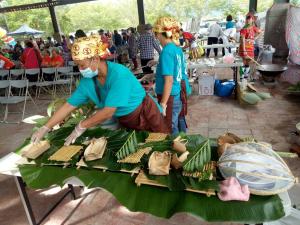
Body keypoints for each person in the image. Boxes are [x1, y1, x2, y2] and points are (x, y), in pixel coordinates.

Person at [31, 35, 169, 145]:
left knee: (160, 145)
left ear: (95, 59)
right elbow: (69, 105)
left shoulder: (119, 75)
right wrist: (46, 127)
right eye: (78, 66)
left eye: (82, 65)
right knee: (135, 148)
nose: (80, 70)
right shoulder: (88, 81)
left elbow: (109, 111)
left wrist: (82, 125)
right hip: (125, 119)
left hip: (145, 113)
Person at [149, 17, 188, 135]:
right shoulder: (176, 48)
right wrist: (157, 68)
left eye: (156, 34)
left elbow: (169, 80)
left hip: (170, 96)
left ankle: (177, 148)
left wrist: (163, 103)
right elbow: (176, 70)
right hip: (177, 92)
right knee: (178, 121)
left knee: (169, 127)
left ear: (162, 34)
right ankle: (183, 140)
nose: (156, 37)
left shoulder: (166, 51)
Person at [239, 14, 261, 79]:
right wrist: (244, 50)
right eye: (247, 19)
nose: (248, 20)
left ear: (252, 20)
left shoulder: (253, 27)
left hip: (250, 47)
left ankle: (246, 77)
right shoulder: (244, 28)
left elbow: (260, 32)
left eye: (250, 19)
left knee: (248, 62)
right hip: (244, 46)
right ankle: (241, 77)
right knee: (243, 62)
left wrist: (254, 38)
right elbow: (242, 39)